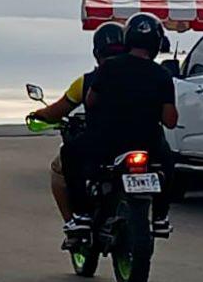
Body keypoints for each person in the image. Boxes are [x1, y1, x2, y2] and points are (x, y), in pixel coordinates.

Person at [64, 13, 178, 247]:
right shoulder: (162, 75)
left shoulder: (110, 68)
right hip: (149, 142)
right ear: (157, 44)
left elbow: (91, 101)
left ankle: (82, 216)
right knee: (168, 165)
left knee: (70, 154)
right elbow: (170, 121)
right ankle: (160, 217)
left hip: (107, 141)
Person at [30, 22, 125, 229]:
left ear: (96, 53)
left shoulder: (87, 81)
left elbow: (56, 111)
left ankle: (77, 220)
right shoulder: (143, 75)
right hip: (139, 141)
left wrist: (39, 114)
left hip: (102, 144)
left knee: (64, 161)